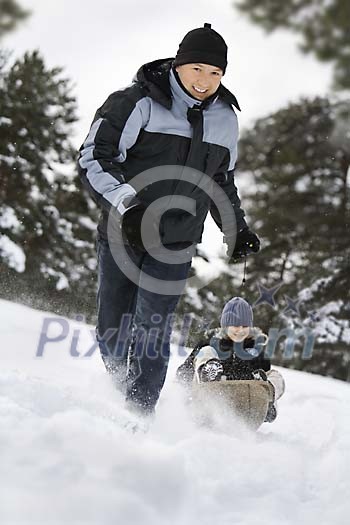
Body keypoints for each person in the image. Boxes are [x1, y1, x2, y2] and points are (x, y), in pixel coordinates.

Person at [78, 23, 260, 418]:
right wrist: (128, 206)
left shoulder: (225, 118)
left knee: (153, 329)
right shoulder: (136, 102)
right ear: (179, 64)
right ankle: (118, 388)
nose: (205, 80)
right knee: (113, 329)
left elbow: (219, 180)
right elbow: (94, 157)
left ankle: (139, 413)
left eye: (215, 73)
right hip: (123, 232)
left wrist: (236, 227)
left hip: (175, 241)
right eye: (197, 68)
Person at [176, 297, 285, 422]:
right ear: (225, 326)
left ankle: (267, 398)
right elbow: (183, 373)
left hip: (244, 407)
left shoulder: (256, 349)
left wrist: (264, 392)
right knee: (206, 351)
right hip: (207, 402)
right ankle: (209, 373)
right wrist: (184, 396)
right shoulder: (210, 342)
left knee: (276, 376)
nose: (240, 330)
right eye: (235, 325)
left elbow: (266, 372)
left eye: (245, 326)